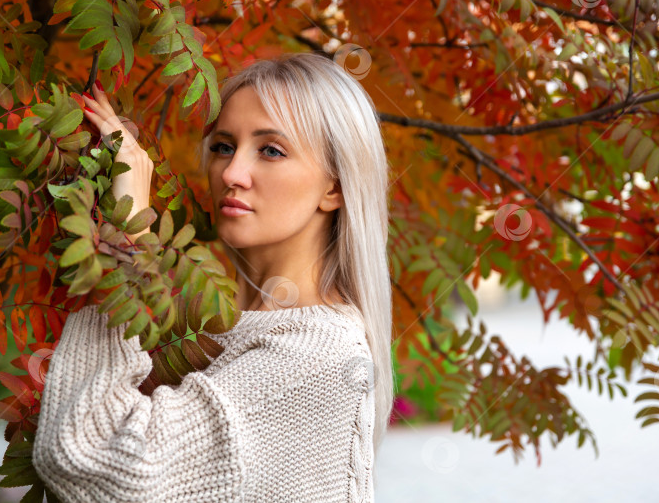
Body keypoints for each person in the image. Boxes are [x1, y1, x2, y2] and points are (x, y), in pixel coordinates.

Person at [32, 52, 393, 502]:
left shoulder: (313, 359)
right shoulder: (231, 327)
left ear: (334, 187)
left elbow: (91, 463)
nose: (232, 173)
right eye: (224, 146)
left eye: (271, 150)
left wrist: (129, 241)